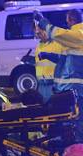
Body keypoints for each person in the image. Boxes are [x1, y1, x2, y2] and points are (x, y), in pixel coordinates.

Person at [35, 9, 83, 142]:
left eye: (67, 20)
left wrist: (43, 21)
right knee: (72, 121)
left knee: (78, 122)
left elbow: (58, 33)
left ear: (71, 20)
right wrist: (48, 56)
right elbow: (64, 59)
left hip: (76, 89)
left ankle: (78, 152)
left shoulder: (79, 34)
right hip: (71, 89)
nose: (66, 23)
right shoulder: (76, 37)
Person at [34, 25, 64, 102]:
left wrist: (49, 56)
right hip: (41, 85)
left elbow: (63, 61)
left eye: (39, 33)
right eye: (36, 34)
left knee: (55, 109)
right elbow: (40, 64)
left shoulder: (58, 44)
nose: (38, 36)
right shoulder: (39, 46)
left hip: (53, 85)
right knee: (45, 110)